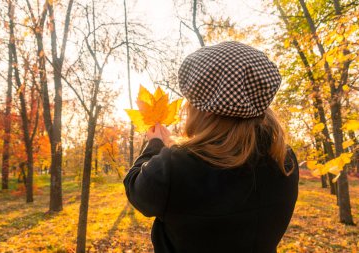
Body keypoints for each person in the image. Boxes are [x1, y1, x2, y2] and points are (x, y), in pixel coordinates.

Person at [124, 41, 299, 253]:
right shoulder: (283, 159)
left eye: (191, 102)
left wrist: (155, 145)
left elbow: (136, 189)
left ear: (206, 110)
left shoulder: (174, 167)